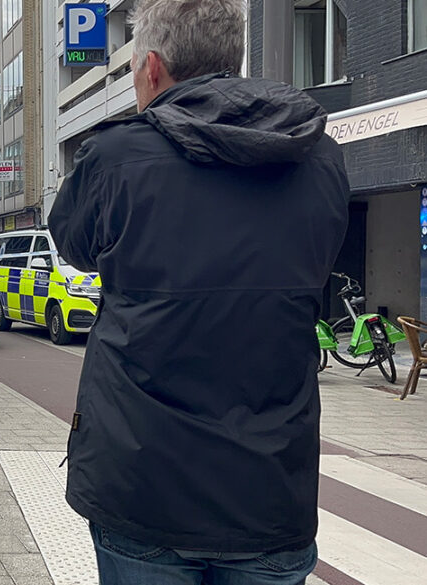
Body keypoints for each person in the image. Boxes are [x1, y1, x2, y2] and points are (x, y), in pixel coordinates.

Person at [47, 1, 351, 583]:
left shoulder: (114, 158)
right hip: (270, 491)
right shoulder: (318, 158)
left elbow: (76, 246)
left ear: (152, 68)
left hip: (144, 488)